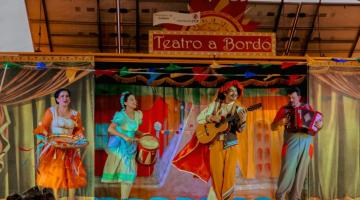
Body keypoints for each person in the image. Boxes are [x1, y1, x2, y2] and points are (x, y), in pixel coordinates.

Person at [173, 80, 247, 200]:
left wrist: (243, 121)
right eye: (232, 91)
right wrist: (211, 117)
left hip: (231, 145)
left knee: (229, 177)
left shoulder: (239, 110)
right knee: (217, 177)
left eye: (236, 91)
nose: (234, 93)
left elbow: (241, 129)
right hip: (215, 145)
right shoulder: (215, 106)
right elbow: (199, 119)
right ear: (225, 93)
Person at [33, 88, 87, 200]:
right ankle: (56, 198)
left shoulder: (75, 114)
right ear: (57, 99)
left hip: (70, 148)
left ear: (70, 99)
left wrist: (80, 139)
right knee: (56, 176)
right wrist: (49, 140)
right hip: (55, 150)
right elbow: (44, 128)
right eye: (62, 96)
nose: (65, 98)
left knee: (72, 175)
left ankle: (71, 198)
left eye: (67, 96)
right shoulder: (51, 111)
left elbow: (78, 131)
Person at [271, 87, 323, 200]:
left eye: (293, 98)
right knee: (287, 171)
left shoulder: (307, 108)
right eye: (289, 97)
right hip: (291, 143)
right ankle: (280, 196)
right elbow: (272, 127)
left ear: (299, 97)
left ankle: (295, 198)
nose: (291, 100)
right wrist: (280, 122)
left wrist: (320, 125)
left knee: (301, 174)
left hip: (307, 142)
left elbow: (317, 122)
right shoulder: (284, 110)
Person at [101, 91, 143, 200]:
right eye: (131, 99)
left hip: (131, 147)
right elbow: (110, 129)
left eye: (135, 99)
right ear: (125, 102)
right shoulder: (121, 116)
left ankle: (124, 198)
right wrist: (124, 136)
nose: (135, 101)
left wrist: (143, 135)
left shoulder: (138, 114)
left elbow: (134, 129)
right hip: (120, 147)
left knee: (129, 176)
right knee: (126, 175)